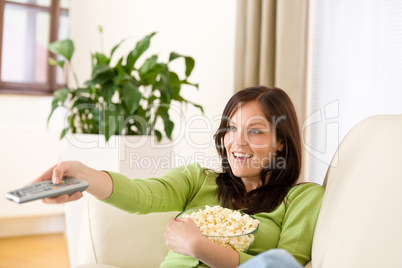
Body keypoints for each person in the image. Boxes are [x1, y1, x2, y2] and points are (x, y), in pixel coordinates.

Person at [34, 86, 324, 268]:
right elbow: (141, 194)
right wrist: (82, 174)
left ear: (281, 142)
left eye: (256, 130)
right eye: (231, 128)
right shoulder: (198, 179)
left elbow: (285, 265)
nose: (237, 142)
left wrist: (200, 248)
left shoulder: (301, 199)